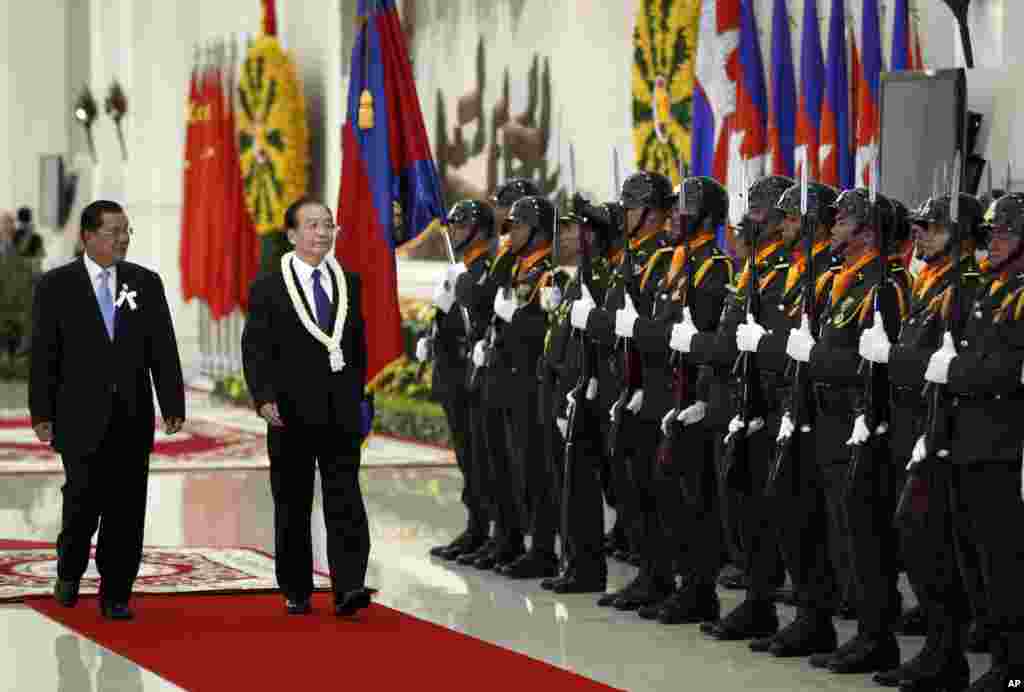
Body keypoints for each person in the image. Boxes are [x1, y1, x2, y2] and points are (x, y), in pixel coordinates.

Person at [29, 199, 185, 620]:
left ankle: (116, 592)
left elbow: (163, 349)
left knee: (127, 508)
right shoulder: (55, 286)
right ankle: (69, 567)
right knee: (81, 503)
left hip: (132, 416)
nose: (122, 239)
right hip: (78, 417)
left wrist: (171, 403)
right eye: (114, 232)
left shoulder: (145, 283)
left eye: (126, 232)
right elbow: (44, 355)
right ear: (87, 236)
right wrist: (41, 412)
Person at [241, 196, 373, 617]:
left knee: (346, 499)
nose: (322, 232)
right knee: (293, 503)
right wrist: (263, 398)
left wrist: (363, 396)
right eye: (313, 225)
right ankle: (296, 587)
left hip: (340, 412)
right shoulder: (268, 285)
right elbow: (255, 347)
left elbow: (359, 347)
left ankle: (349, 585)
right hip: (289, 413)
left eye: (328, 224)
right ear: (293, 234)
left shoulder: (350, 282)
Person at [420, 199, 496, 561]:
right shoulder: (460, 266)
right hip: (453, 374)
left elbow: (480, 311)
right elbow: (444, 316)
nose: (455, 233)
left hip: (474, 373)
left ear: (480, 230)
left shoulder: (485, 266)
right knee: (466, 456)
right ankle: (475, 525)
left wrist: (463, 282)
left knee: (482, 458)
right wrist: (430, 333)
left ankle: (489, 530)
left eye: (462, 226)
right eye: (453, 227)